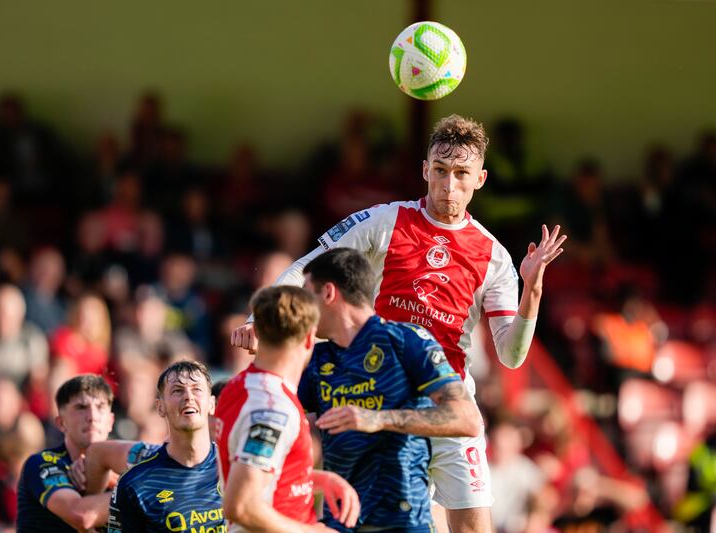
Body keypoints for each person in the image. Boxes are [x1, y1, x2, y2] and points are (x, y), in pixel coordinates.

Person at [232, 115, 567, 532]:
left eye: (461, 174)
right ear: (425, 169)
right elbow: (309, 268)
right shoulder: (385, 221)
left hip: (448, 404)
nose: (449, 186)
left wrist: (531, 289)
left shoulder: (494, 256)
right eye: (441, 172)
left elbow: (512, 356)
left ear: (479, 178)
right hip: (377, 396)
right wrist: (257, 318)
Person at [300, 248, 480, 532]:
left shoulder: (405, 341)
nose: (302, 309)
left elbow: (468, 420)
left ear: (328, 293)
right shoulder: (315, 358)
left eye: (305, 296)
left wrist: (378, 419)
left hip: (402, 521)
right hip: (340, 523)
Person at [216, 286, 359, 532]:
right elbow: (240, 505)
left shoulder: (240, 386)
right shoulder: (272, 410)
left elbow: (260, 476)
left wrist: (315, 479)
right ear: (308, 338)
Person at [107, 360, 223, 532]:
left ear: (212, 404)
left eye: (197, 389)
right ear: (160, 407)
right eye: (177, 390)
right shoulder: (136, 484)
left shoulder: (237, 468)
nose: (188, 397)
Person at [16, 374, 115, 531]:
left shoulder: (120, 474)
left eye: (100, 407)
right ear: (61, 423)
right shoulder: (41, 463)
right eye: (81, 407)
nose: (92, 416)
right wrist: (135, 491)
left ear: (110, 422)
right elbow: (83, 515)